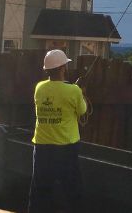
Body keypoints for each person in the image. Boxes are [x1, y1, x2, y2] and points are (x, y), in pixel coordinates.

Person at [28, 49, 88, 213]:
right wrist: (80, 92)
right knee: (73, 190)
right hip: (66, 147)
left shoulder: (39, 88)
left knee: (39, 191)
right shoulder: (73, 91)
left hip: (41, 148)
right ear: (63, 68)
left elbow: (56, 92)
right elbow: (82, 110)